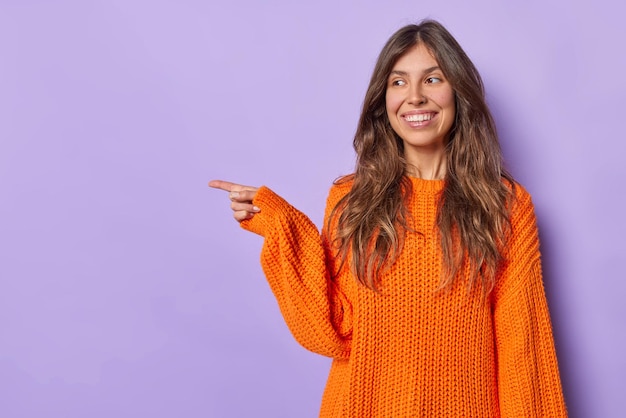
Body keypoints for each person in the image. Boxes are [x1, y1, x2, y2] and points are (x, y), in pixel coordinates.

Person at [209, 19, 567, 417]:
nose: (414, 97)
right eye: (398, 82)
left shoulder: (505, 205)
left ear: (458, 93)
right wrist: (281, 225)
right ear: (383, 101)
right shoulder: (352, 199)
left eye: (433, 79)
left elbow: (524, 349)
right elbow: (333, 330)